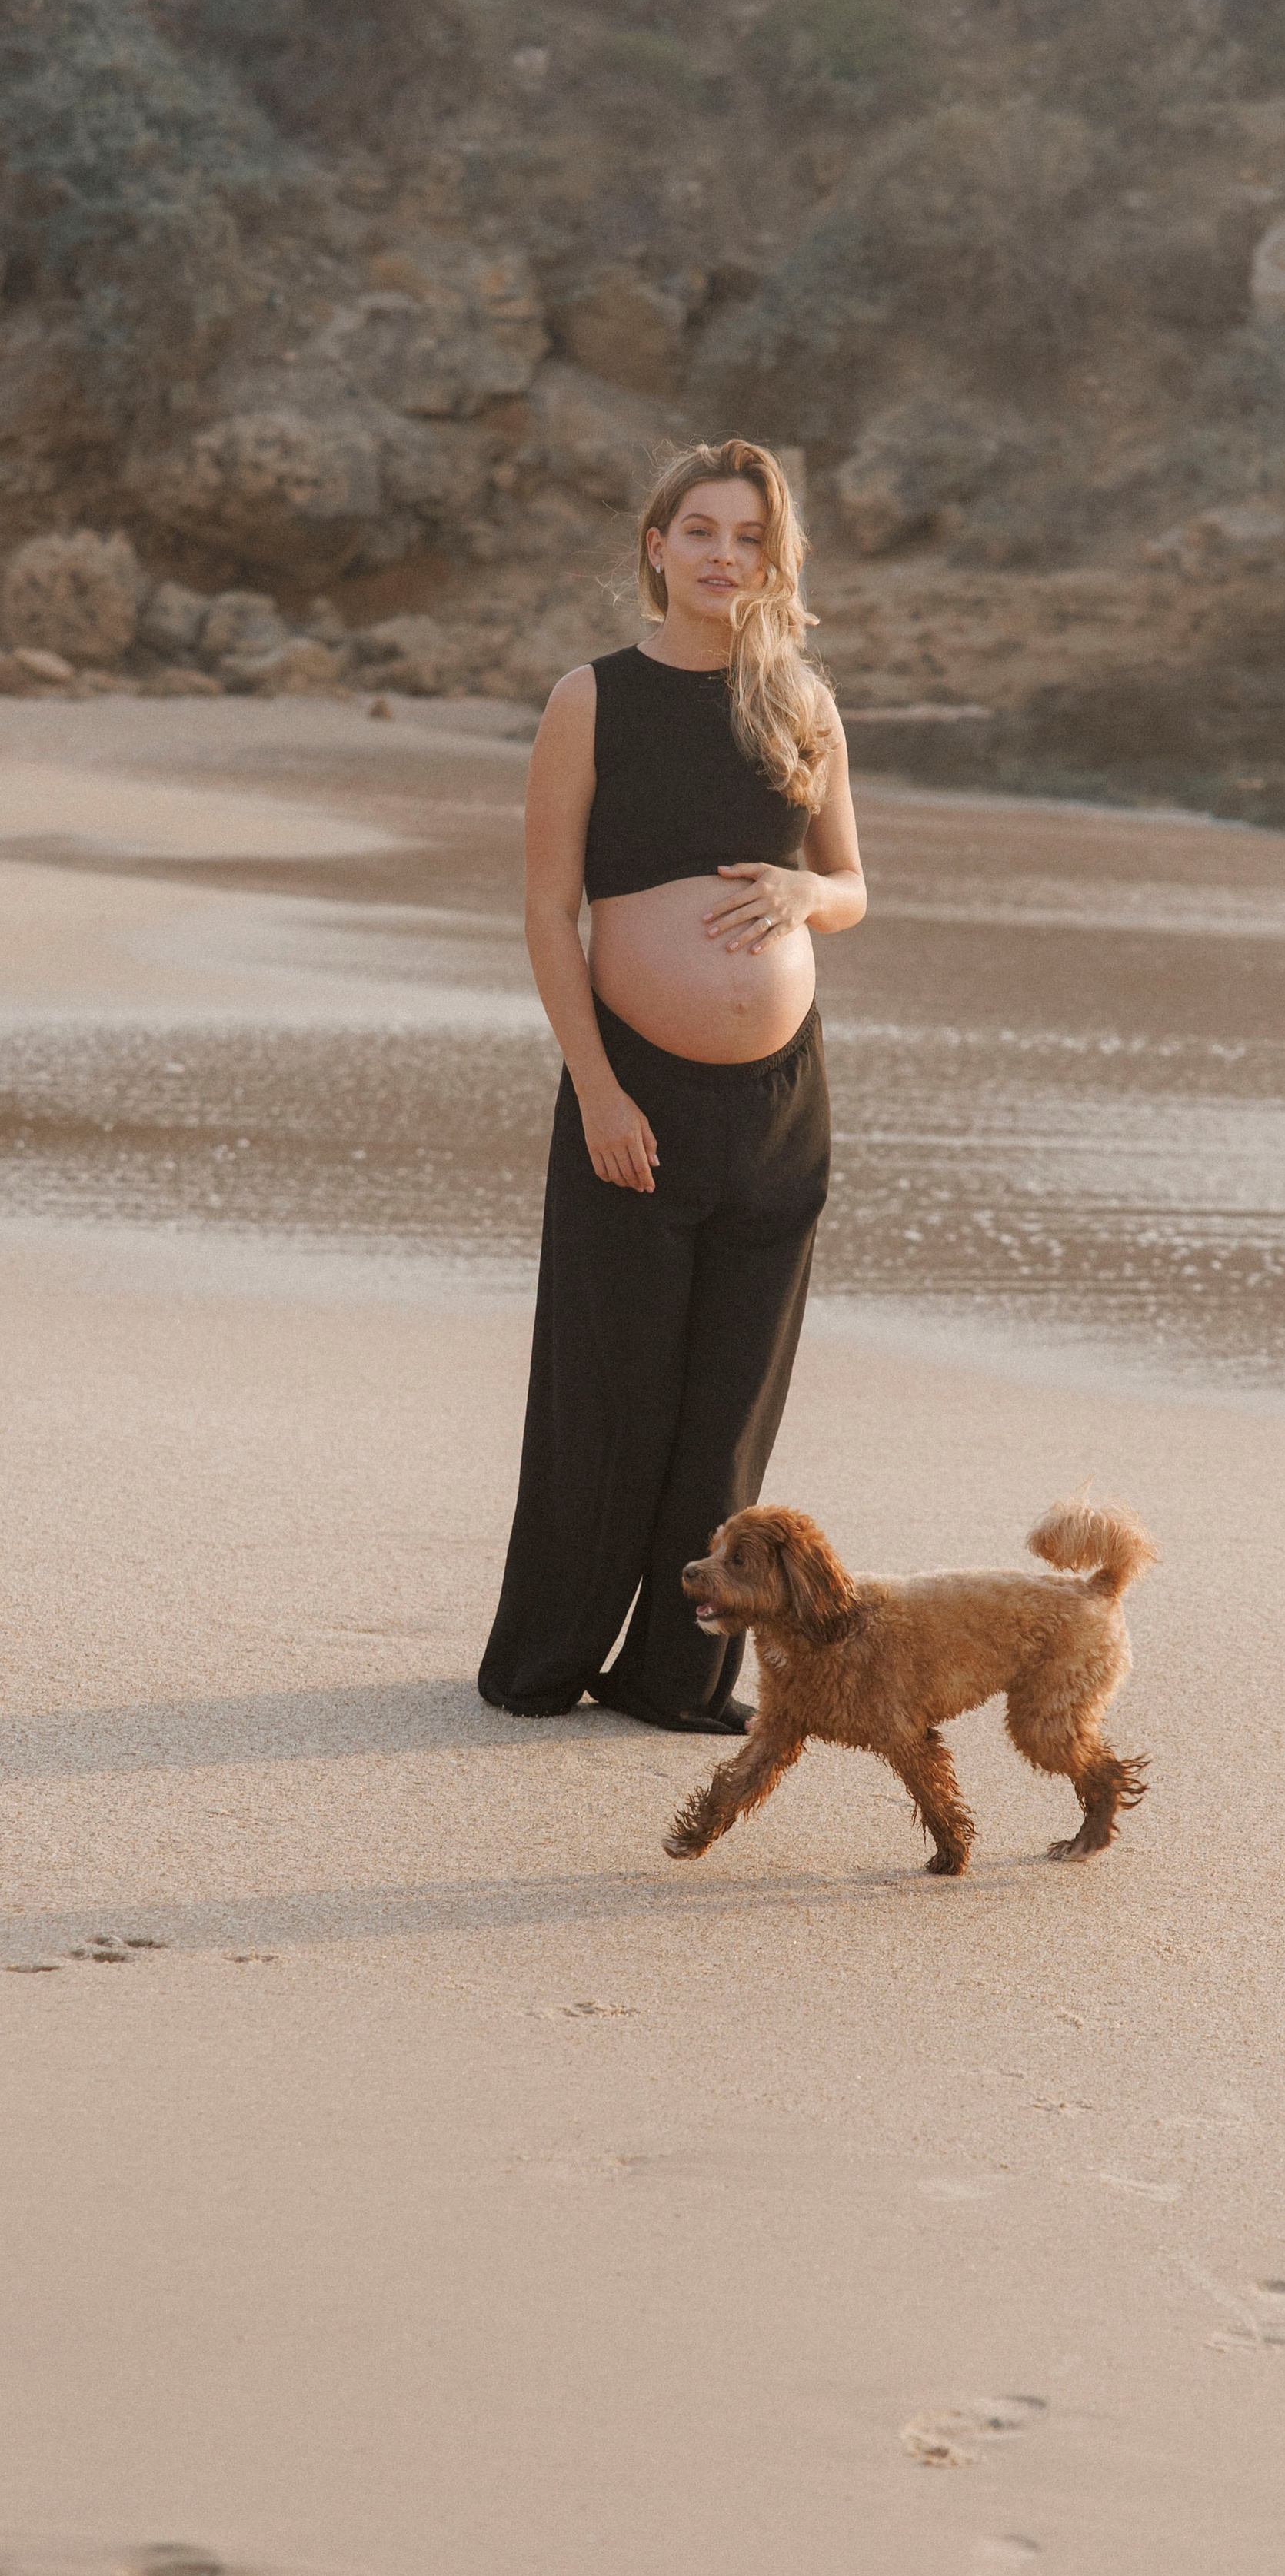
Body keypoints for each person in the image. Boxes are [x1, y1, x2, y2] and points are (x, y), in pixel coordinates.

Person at [478, 440, 865, 1730]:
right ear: (655, 547)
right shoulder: (592, 699)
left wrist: (811, 891)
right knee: (611, 1387)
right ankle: (544, 1660)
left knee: (731, 1403)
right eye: (698, 530)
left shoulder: (803, 703)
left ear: (774, 557)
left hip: (778, 1109)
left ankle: (677, 1677)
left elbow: (852, 887)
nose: (721, 555)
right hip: (631, 1091)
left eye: (748, 537)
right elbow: (547, 912)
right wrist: (595, 1087)